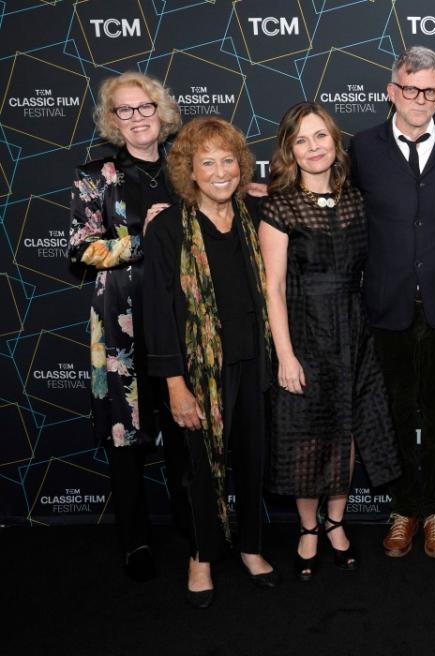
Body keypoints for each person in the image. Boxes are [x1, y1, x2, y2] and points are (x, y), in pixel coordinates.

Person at [259, 102, 401, 580]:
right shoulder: (279, 206)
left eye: (320, 136)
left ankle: (337, 523)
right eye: (301, 140)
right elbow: (272, 289)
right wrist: (284, 355)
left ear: (335, 142)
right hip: (303, 332)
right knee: (306, 433)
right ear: (289, 151)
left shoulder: (357, 199)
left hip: (354, 330)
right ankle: (308, 528)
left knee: (348, 428)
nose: (313, 147)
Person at [142, 116, 278, 607]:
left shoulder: (254, 213)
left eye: (228, 161)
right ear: (189, 171)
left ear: (241, 167)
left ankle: (252, 547)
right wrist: (175, 385)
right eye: (208, 163)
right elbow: (157, 313)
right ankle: (201, 556)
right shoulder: (166, 229)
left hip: (251, 361)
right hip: (198, 374)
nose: (221, 172)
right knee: (199, 468)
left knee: (252, 461)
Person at [349, 46, 435, 559]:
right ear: (391, 91)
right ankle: (404, 509)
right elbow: (328, 199)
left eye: (430, 90)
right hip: (387, 305)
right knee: (396, 411)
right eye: (410, 88)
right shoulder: (361, 147)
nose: (419, 98)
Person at [67, 71, 186, 582]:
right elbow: (81, 250)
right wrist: (144, 238)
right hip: (121, 322)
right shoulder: (96, 175)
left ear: (160, 112)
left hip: (183, 315)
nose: (137, 118)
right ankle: (135, 541)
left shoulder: (186, 165)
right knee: (126, 436)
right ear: (112, 119)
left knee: (187, 428)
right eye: (125, 110)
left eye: (145, 107)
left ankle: (196, 529)